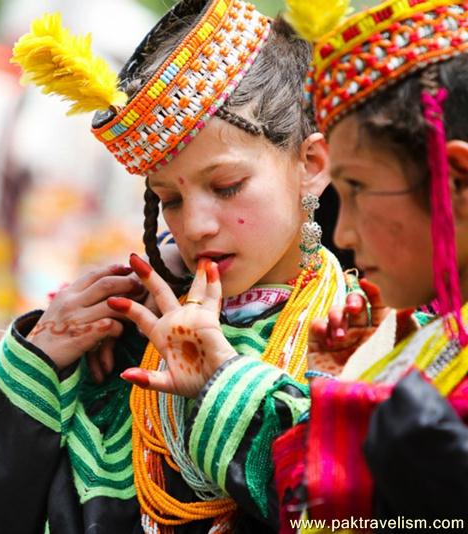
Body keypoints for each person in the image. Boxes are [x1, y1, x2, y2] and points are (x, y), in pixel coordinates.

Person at [0, 0, 364, 532]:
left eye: (226, 186)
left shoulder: (368, 332)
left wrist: (222, 385)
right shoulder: (119, 345)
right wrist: (40, 360)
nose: (197, 227)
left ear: (311, 165)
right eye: (170, 199)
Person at [250, 0, 468, 530]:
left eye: (358, 189)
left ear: (455, 180)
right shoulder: (437, 340)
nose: (343, 233)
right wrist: (336, 382)